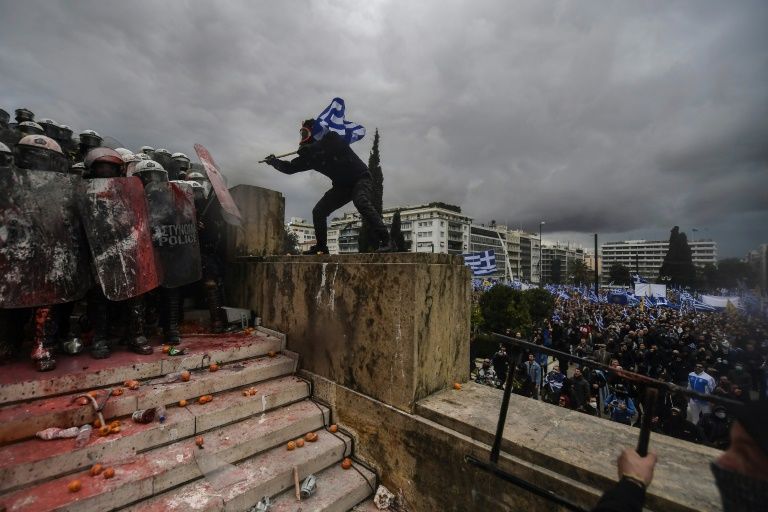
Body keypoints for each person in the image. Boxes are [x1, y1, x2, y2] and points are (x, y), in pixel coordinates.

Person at [265, 119, 394, 254]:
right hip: (342, 186)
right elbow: (290, 168)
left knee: (361, 201)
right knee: (319, 211)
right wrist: (275, 162)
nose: (303, 137)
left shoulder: (332, 138)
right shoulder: (311, 157)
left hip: (360, 178)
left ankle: (387, 240)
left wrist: (310, 149)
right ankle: (321, 247)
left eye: (305, 133)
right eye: (302, 134)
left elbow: (330, 144)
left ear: (315, 132)